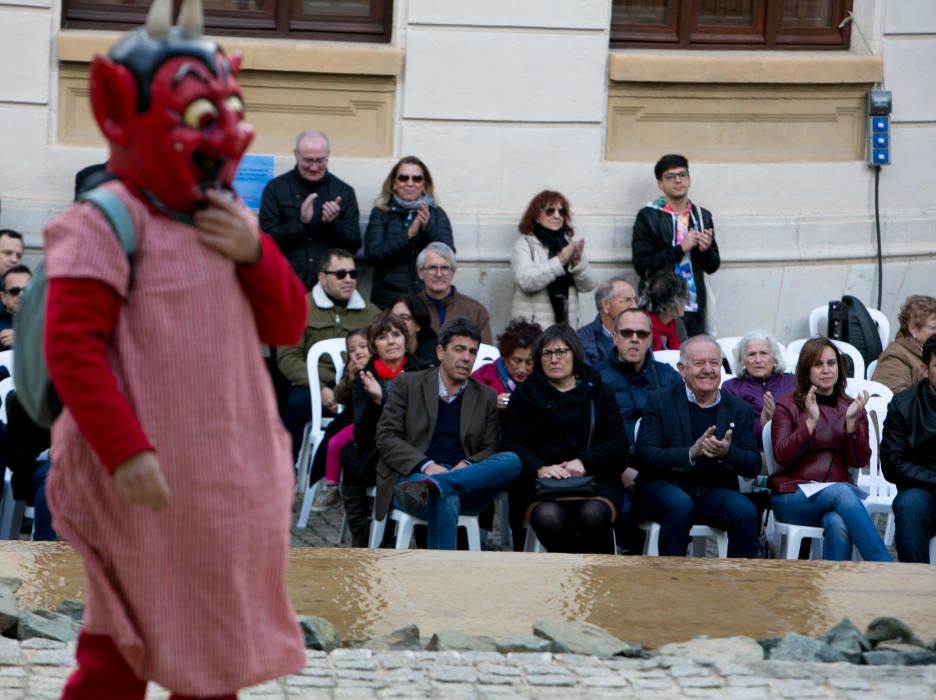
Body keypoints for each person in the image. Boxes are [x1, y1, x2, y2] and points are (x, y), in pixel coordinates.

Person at [42, 1, 309, 697]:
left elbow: (286, 323)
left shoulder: (228, 215)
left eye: (229, 105)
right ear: (114, 110)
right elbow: (73, 349)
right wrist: (124, 451)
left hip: (219, 482)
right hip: (138, 479)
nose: (225, 129)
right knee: (119, 648)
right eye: (199, 112)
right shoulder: (104, 222)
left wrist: (255, 253)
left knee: (213, 647)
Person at [374, 318, 521, 550]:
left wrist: (467, 463)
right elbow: (386, 436)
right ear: (440, 352)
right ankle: (442, 578)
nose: (467, 358)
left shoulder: (485, 395)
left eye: (472, 352)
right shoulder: (409, 384)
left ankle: (439, 485)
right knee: (446, 498)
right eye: (459, 349)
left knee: (512, 460)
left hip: (466, 483)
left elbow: (490, 447)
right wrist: (426, 466)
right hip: (413, 482)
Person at [501, 325, 628, 553]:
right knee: (550, 518)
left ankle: (599, 576)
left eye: (561, 352)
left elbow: (618, 443)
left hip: (593, 480)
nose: (554, 359)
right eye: (547, 353)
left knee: (593, 514)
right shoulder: (525, 395)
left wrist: (584, 462)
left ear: (575, 354)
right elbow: (511, 444)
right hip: (540, 484)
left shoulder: (599, 392)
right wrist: (540, 468)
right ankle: (573, 575)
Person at [635, 336, 761, 558]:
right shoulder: (660, 401)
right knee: (680, 504)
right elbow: (644, 455)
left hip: (714, 489)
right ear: (682, 369)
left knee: (746, 511)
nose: (708, 370)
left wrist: (727, 452)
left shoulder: (738, 409)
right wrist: (690, 453)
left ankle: (742, 584)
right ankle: (673, 583)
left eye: (714, 363)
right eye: (699, 363)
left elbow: (753, 465)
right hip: (667, 485)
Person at [770, 338, 891, 562]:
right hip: (792, 496)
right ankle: (884, 565)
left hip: (836, 499)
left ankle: (835, 590)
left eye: (831, 363)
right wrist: (809, 424)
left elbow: (859, 460)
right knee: (842, 491)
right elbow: (782, 456)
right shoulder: (787, 405)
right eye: (818, 364)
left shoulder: (851, 407)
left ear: (839, 367)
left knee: (838, 522)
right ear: (806, 370)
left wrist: (852, 425)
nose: (826, 370)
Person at [276, 249, 380, 460]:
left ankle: (355, 476)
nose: (349, 280)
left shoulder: (372, 313)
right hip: (311, 384)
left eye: (353, 274)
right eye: (340, 274)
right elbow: (287, 358)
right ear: (322, 278)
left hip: (356, 385)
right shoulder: (300, 307)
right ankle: (289, 474)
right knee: (296, 406)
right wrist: (320, 388)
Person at [342, 311, 425, 547]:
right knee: (350, 455)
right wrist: (376, 402)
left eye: (396, 334)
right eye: (382, 337)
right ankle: (362, 535)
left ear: (405, 339)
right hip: (378, 448)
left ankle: (386, 536)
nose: (391, 341)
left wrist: (384, 402)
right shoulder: (364, 377)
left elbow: (418, 423)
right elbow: (363, 434)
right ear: (374, 345)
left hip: (414, 448)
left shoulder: (422, 372)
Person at [259, 129, 361, 290]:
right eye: (308, 160)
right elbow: (265, 242)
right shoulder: (275, 189)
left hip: (329, 288)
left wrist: (333, 224)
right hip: (285, 284)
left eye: (320, 161)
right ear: (296, 155)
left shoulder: (343, 191)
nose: (314, 167)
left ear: (328, 155)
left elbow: (354, 246)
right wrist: (300, 222)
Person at [632, 154, 719, 337]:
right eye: (670, 177)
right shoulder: (648, 216)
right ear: (660, 184)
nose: (678, 180)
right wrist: (680, 248)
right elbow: (642, 265)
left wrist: (705, 249)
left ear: (689, 179)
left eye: (682, 175)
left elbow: (712, 266)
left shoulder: (702, 216)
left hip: (693, 306)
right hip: (659, 307)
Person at [365, 156, 454, 309]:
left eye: (417, 179)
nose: (410, 183)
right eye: (403, 178)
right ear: (394, 184)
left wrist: (427, 229)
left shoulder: (437, 214)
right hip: (388, 300)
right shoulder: (381, 213)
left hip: (426, 299)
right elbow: (373, 255)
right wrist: (408, 235)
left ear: (424, 185)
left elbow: (449, 255)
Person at [881, 336, 936, 563]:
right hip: (922, 490)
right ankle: (916, 583)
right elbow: (892, 465)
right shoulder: (903, 405)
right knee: (909, 505)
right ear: (925, 369)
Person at [511, 190, 596, 329]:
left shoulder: (568, 243)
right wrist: (560, 261)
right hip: (534, 330)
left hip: (568, 328)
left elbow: (589, 285)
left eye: (561, 212)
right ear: (537, 216)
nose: (557, 216)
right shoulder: (525, 244)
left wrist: (577, 263)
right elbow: (526, 281)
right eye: (550, 211)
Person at [307, 328, 371, 513]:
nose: (358, 352)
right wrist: (350, 379)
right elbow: (340, 397)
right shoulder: (350, 369)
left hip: (371, 421)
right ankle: (332, 488)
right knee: (334, 442)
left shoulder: (379, 366)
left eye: (363, 346)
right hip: (354, 419)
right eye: (352, 350)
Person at [598, 308, 681, 447]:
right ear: (614, 337)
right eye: (627, 333)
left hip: (660, 457)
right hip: (613, 460)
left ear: (650, 339)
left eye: (642, 334)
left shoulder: (668, 376)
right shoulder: (595, 378)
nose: (634, 339)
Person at [722, 330, 796, 447]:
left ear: (774, 357)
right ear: (742, 359)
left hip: (790, 448)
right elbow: (734, 431)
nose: (758, 360)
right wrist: (762, 425)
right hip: (753, 451)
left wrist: (777, 421)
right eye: (751, 354)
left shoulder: (792, 382)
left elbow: (802, 422)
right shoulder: (731, 388)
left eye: (764, 353)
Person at [416, 242, 493, 344]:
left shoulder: (476, 311)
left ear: (453, 273)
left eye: (444, 268)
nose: (439, 274)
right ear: (420, 272)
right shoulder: (409, 308)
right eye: (432, 268)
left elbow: (485, 355)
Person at [472, 318, 541, 412]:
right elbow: (467, 410)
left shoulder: (542, 380)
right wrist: (491, 404)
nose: (522, 369)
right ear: (504, 355)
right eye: (516, 361)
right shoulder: (481, 377)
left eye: (529, 363)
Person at [872, 294, 936, 394]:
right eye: (934, 327)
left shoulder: (929, 353)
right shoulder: (895, 356)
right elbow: (895, 397)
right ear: (913, 329)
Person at [577, 276, 639, 366]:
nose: (634, 306)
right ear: (606, 305)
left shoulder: (641, 333)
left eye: (635, 300)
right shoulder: (582, 339)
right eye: (627, 300)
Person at [640, 270, 688, 351]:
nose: (687, 301)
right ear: (672, 302)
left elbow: (685, 355)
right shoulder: (641, 324)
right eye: (685, 297)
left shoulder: (678, 325)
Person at [390, 293, 438, 366]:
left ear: (418, 324)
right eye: (392, 318)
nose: (396, 323)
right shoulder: (382, 352)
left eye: (404, 318)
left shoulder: (434, 354)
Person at [0, 264, 30, 350]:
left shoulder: (48, 321)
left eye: (27, 290)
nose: (21, 295)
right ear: (3, 298)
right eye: (14, 291)